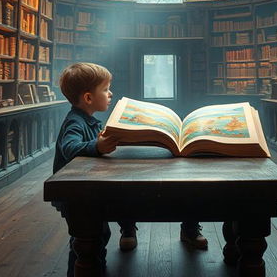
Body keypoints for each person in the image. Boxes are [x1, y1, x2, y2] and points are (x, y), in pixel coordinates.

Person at [52, 63, 207, 276]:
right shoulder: (75, 122)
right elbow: (69, 148)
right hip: (75, 191)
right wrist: (96, 146)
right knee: (88, 235)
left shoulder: (87, 119)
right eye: (105, 89)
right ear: (88, 98)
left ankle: (98, 266)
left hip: (86, 185)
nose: (110, 93)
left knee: (97, 233)